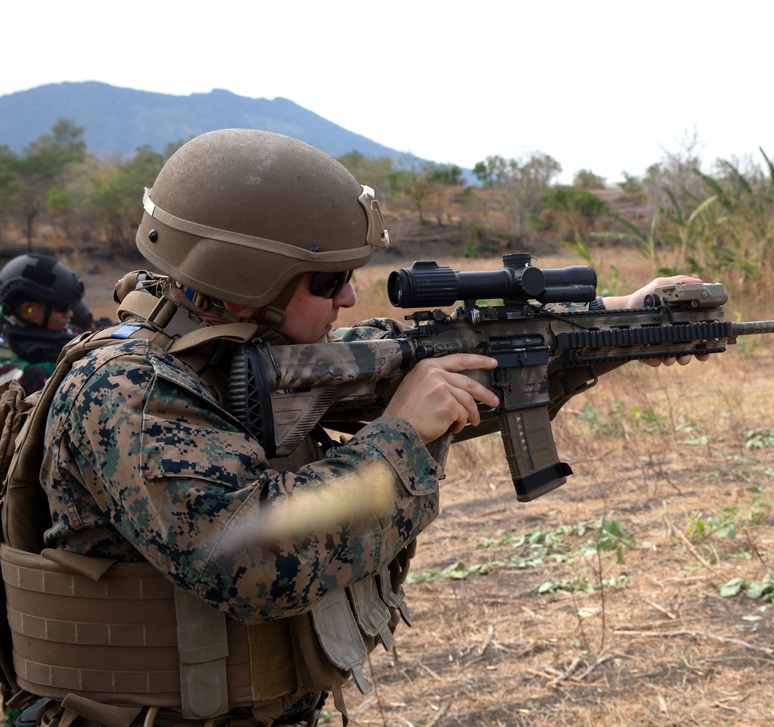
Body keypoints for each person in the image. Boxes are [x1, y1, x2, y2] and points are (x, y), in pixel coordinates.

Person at [2, 129, 702, 727]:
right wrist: (398, 437)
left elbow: (441, 359)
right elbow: (247, 560)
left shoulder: (239, 347)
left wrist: (621, 325)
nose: (348, 295)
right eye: (327, 278)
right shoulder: (127, 390)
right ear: (246, 275)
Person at [0, 253, 86, 393]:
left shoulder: (60, 331)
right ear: (29, 310)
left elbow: (80, 335)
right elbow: (26, 380)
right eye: (62, 308)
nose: (69, 314)